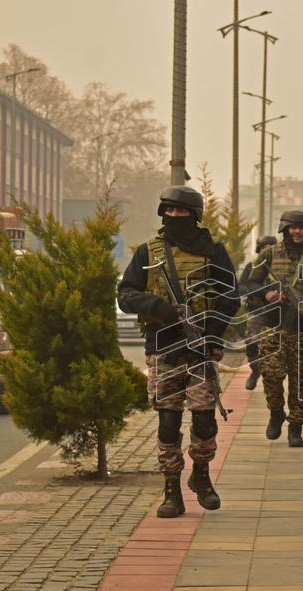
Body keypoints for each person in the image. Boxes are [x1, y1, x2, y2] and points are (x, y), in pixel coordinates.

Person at [118, 186, 240, 519]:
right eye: (168, 211)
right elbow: (125, 294)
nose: (174, 217)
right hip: (163, 348)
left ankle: (201, 475)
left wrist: (212, 335)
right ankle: (172, 490)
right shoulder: (149, 252)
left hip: (200, 351)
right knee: (168, 421)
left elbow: (231, 297)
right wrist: (155, 306)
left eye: (181, 212)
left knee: (204, 421)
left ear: (195, 216)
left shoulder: (213, 253)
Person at [244, 210, 303, 448]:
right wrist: (267, 293)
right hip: (273, 327)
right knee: (271, 377)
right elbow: (251, 282)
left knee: (300, 382)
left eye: (301, 227)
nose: (297, 231)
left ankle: (295, 427)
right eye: (293, 227)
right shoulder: (270, 254)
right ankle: (276, 413)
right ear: (284, 229)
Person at [241, 235, 278, 390]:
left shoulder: (281, 268)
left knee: (277, 348)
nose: (267, 250)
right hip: (257, 312)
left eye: (270, 246)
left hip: (277, 314)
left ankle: (273, 380)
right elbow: (242, 286)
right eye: (264, 247)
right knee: (251, 344)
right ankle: (255, 371)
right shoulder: (251, 267)